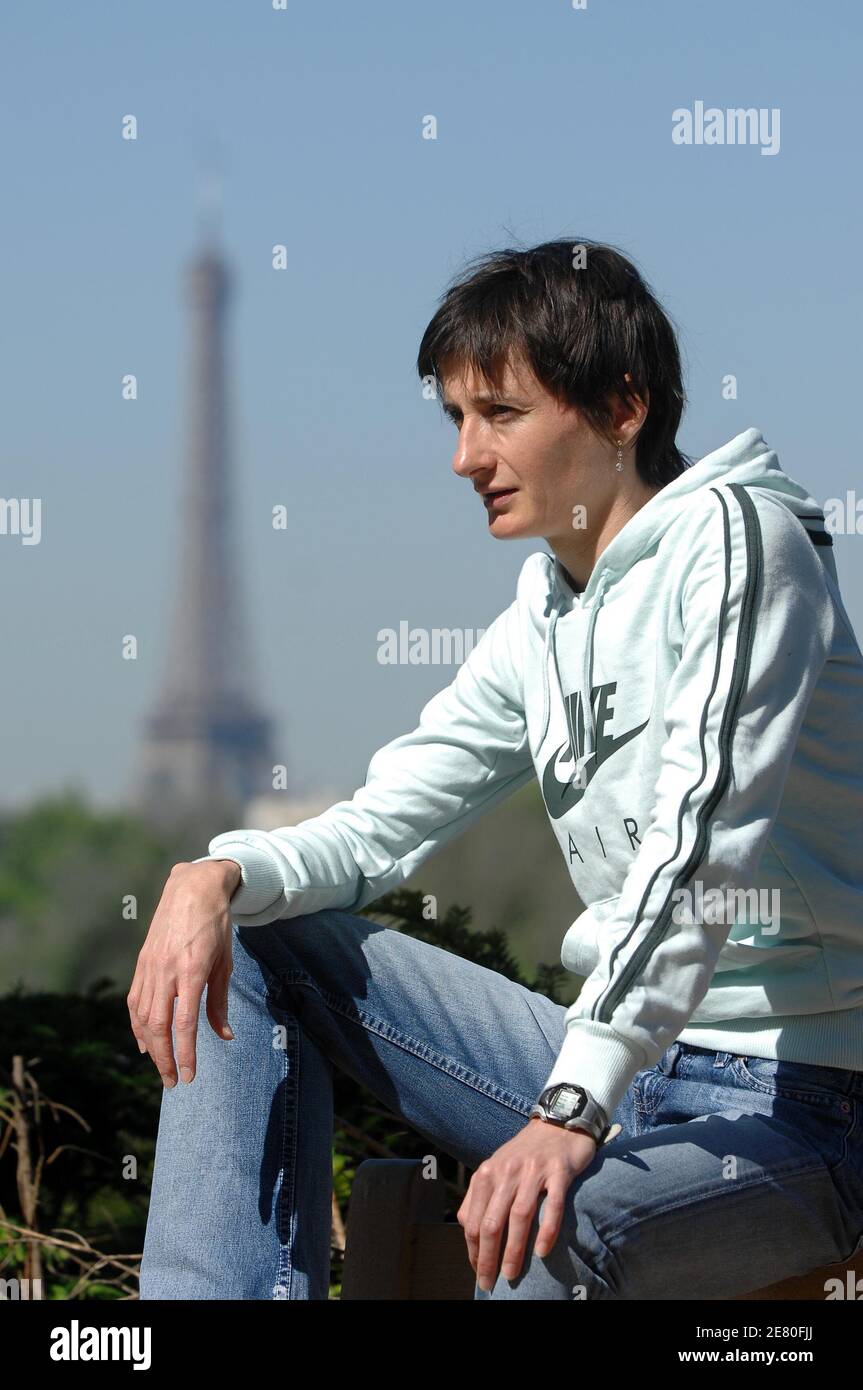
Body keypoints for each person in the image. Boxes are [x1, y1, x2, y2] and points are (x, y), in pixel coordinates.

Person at [132, 239, 863, 1300]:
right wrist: (216, 875)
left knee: (535, 1234)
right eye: (454, 419)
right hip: (616, 1067)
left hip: (797, 1104)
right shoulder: (545, 611)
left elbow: (696, 851)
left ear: (620, 408)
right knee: (254, 938)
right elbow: (382, 823)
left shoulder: (741, 547)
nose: (464, 457)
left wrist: (568, 1108)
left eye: (501, 415)